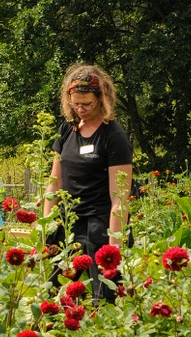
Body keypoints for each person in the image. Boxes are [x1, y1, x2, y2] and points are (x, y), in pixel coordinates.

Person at [42, 63, 133, 303]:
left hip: (99, 225)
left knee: (102, 298)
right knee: (55, 296)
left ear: (102, 99)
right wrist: (46, 229)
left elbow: (120, 197)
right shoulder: (66, 131)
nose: (80, 109)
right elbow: (54, 183)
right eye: (75, 103)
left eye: (87, 104)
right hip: (67, 223)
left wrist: (114, 247)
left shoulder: (114, 137)